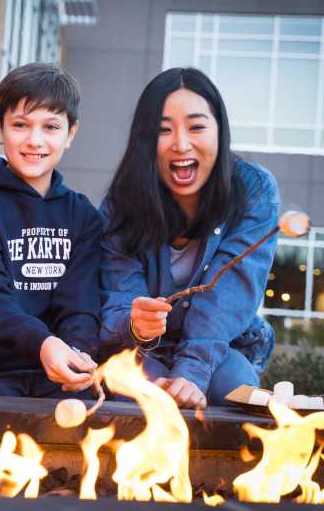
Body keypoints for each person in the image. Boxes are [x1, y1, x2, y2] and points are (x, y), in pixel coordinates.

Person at [99, 67, 279, 409]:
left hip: (220, 345)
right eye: (163, 130)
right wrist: (137, 324)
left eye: (196, 127)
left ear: (219, 130)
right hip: (139, 348)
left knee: (232, 390)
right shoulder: (121, 204)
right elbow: (119, 298)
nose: (181, 144)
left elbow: (230, 296)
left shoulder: (253, 190)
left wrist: (192, 372)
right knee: (140, 398)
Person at [0, 63, 101, 398]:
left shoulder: (83, 215)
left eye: (51, 127)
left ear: (71, 133)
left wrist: (76, 351)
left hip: (57, 372)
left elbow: (81, 305)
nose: (35, 140)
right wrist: (43, 344)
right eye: (20, 125)